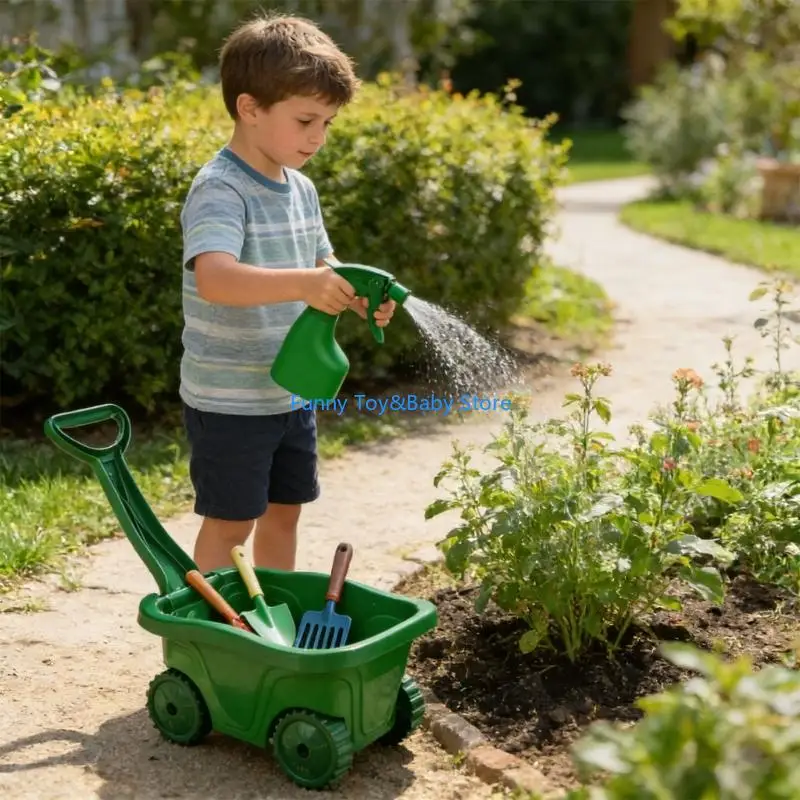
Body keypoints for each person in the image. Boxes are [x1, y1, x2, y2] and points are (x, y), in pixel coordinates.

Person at [179, 13, 396, 573]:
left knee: (285, 511)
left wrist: (353, 289)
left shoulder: (299, 187)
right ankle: (214, 635)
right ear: (250, 108)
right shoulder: (221, 189)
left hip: (291, 391)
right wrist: (305, 283)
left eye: (327, 123)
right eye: (306, 121)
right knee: (231, 522)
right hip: (230, 399)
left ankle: (273, 617)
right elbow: (215, 277)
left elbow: (320, 261)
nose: (318, 138)